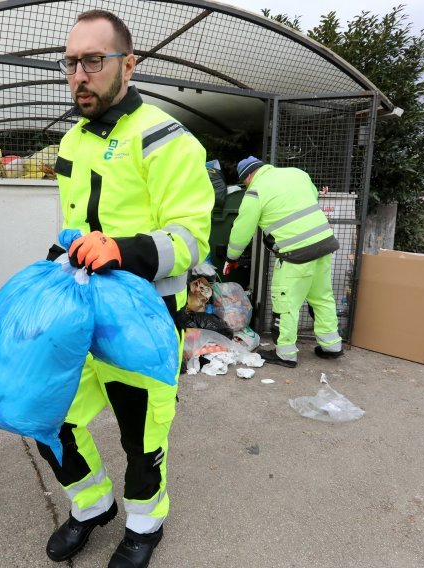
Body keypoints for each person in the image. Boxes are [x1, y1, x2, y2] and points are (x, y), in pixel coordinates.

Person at [37, 11, 214, 568]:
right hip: (81, 305)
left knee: (141, 435)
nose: (79, 75)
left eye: (94, 60)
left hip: (144, 313)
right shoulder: (74, 139)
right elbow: (75, 220)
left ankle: (145, 521)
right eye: (71, 63)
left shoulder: (166, 139)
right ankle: (90, 506)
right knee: (45, 412)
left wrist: (122, 249)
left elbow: (191, 236)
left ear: (128, 65)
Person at [224, 156, 343, 367]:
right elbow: (311, 197)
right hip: (324, 243)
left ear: (249, 176)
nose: (246, 185)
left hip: (295, 254)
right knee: (322, 297)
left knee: (285, 302)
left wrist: (231, 257)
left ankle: (285, 353)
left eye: (245, 182)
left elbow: (242, 230)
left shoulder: (255, 190)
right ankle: (331, 345)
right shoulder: (297, 174)